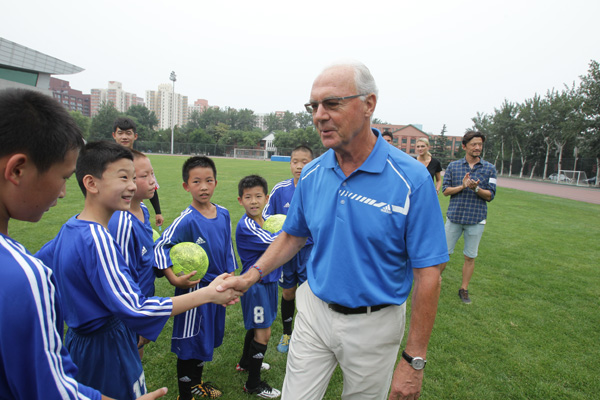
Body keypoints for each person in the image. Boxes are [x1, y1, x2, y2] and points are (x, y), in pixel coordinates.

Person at [217, 61, 449, 399]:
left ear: (369, 104)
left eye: (332, 104)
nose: (319, 115)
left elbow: (429, 272)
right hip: (313, 310)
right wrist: (250, 276)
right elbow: (293, 235)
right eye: (314, 106)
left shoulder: (411, 179)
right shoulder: (311, 173)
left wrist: (414, 361)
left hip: (375, 324)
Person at [35, 141, 240, 400]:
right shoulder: (99, 238)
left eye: (135, 177)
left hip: (82, 343)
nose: (133, 185)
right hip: (106, 343)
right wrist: (208, 294)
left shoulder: (71, 226)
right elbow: (136, 308)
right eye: (124, 177)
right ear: (91, 183)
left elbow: (36, 264)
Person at [0, 88, 169, 400]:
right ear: (17, 170)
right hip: (103, 342)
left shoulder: (63, 235)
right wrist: (207, 295)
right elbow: (53, 389)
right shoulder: (23, 275)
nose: (64, 192)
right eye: (64, 177)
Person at [154, 156, 238, 400]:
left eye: (209, 180)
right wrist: (174, 279)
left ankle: (196, 384)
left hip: (217, 290)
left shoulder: (222, 214)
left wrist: (230, 276)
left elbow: (227, 247)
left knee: (205, 340)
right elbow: (160, 247)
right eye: (197, 181)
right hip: (194, 292)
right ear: (186, 186)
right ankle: (184, 395)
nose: (204, 187)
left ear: (216, 182)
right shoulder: (187, 219)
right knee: (189, 344)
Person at [262, 145, 314, 353]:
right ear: (290, 163)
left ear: (313, 163)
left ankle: (308, 335)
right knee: (288, 292)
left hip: (309, 251)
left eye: (305, 161)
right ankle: (287, 333)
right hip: (286, 252)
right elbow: (266, 217)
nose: (299, 166)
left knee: (309, 294)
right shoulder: (280, 190)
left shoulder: (318, 189)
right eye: (295, 161)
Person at [235, 175, 283, 398]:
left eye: (258, 196)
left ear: (266, 198)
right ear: (240, 200)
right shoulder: (247, 226)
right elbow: (278, 242)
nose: (253, 201)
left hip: (269, 282)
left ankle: (246, 363)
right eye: (248, 197)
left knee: (258, 327)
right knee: (263, 334)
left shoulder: (265, 220)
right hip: (256, 286)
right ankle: (253, 384)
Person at [108, 149, 158, 358]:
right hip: (130, 313)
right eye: (143, 176)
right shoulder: (122, 222)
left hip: (143, 303)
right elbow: (122, 282)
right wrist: (139, 320)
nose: (152, 181)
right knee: (126, 363)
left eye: (152, 174)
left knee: (137, 359)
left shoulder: (143, 209)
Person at [441, 130, 497, 304]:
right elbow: (445, 191)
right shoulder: (453, 166)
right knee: (443, 253)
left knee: (470, 257)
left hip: (476, 219)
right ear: (464, 146)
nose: (477, 147)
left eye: (480, 144)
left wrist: (476, 189)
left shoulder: (489, 168)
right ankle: (433, 281)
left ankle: (464, 289)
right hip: (455, 217)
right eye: (474, 144)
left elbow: (490, 195)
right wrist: (463, 186)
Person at [112, 117, 164, 227]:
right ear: (114, 135)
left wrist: (158, 212)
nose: (124, 137)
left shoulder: (141, 161)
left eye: (128, 133)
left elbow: (152, 185)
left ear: (135, 136)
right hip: (115, 211)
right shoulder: (107, 161)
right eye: (120, 133)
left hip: (136, 210)